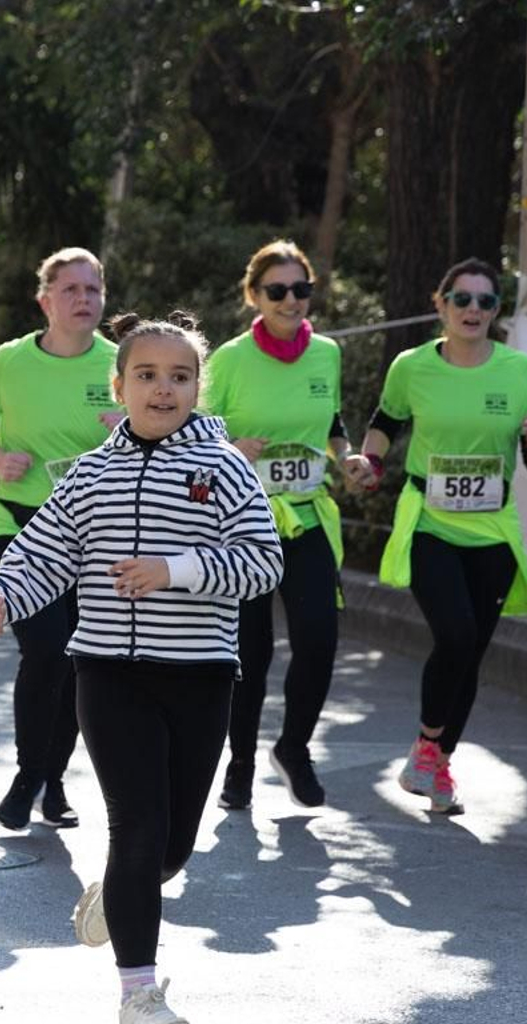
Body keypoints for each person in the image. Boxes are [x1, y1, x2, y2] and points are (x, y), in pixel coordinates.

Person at [0, 311, 283, 1024]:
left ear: (197, 388)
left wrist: (175, 569)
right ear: (120, 385)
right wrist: (0, 597)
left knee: (171, 845)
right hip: (108, 674)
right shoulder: (91, 473)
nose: (163, 387)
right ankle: (140, 1001)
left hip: (203, 676)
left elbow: (263, 564)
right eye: (147, 374)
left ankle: (121, 890)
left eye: (179, 376)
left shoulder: (227, 470)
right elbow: (42, 553)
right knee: (137, 829)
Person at [345, 258, 527, 816]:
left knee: (472, 652)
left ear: (496, 312)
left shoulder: (519, 371)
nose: (472, 310)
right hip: (431, 522)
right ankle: (427, 746)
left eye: (485, 302)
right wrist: (369, 462)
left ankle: (435, 762)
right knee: (457, 635)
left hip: (492, 529)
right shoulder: (412, 366)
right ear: (440, 305)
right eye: (461, 299)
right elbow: (387, 423)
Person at [0, 247, 121, 832]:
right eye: (70, 289)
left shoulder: (122, 364)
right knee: (44, 649)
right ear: (44, 299)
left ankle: (54, 780)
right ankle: (30, 774)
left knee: (77, 658)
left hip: (95, 535)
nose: (83, 300)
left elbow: (165, 431)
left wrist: (129, 431)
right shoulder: (9, 362)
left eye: (92, 289)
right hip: (21, 526)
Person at [202, 240, 351, 810]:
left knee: (319, 642)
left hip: (307, 516)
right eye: (278, 291)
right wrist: (232, 447)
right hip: (243, 524)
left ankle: (293, 747)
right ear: (254, 296)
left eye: (301, 289)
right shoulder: (231, 360)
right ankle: (238, 765)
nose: (291, 300)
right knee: (250, 653)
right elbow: (198, 432)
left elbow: (332, 423)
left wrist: (348, 455)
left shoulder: (328, 354)